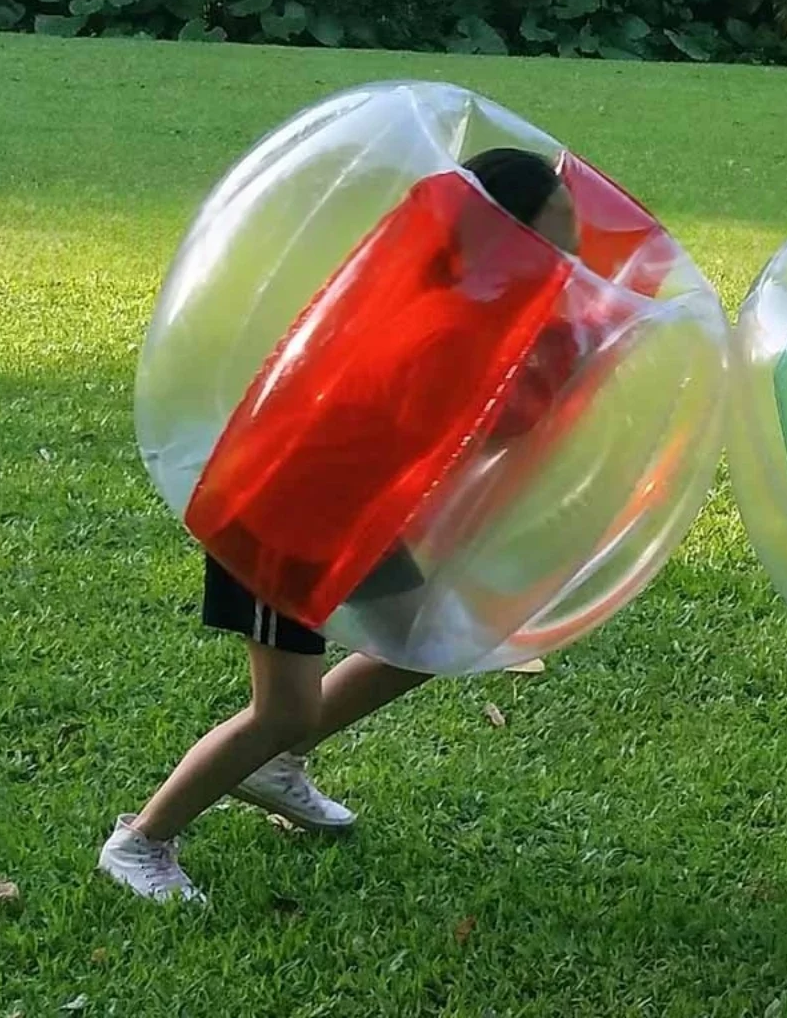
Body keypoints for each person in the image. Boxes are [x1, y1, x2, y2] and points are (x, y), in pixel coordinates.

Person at [99, 147, 581, 903]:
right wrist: (565, 357)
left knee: (418, 644)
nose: (571, 258)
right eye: (558, 239)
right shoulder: (447, 320)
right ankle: (142, 841)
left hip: (354, 516)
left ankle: (273, 766)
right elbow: (487, 426)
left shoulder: (470, 296)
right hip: (281, 519)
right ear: (506, 241)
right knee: (282, 706)